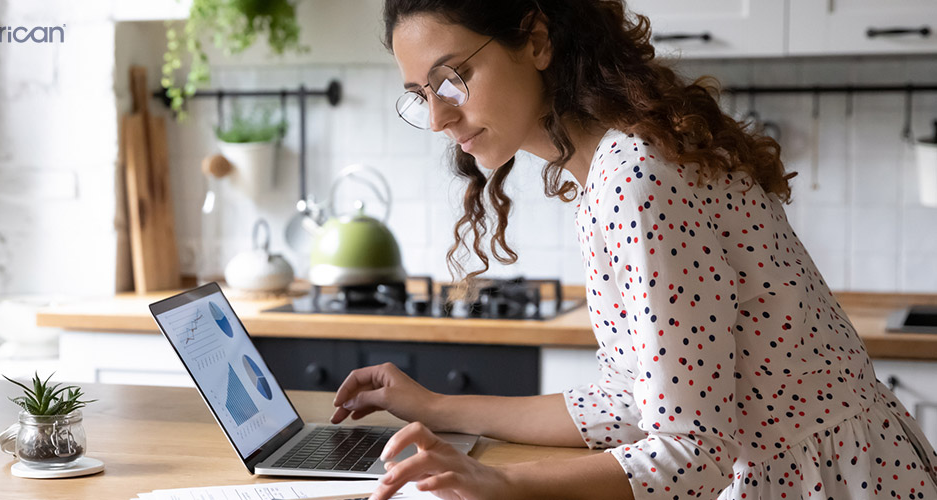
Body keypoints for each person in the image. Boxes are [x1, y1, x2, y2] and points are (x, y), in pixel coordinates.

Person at [329, 1, 937, 499]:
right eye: (420, 92)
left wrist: (504, 483)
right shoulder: (610, 168)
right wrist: (438, 408)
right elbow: (630, 400)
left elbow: (691, 453)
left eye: (452, 77)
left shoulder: (636, 177)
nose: (437, 117)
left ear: (537, 41)